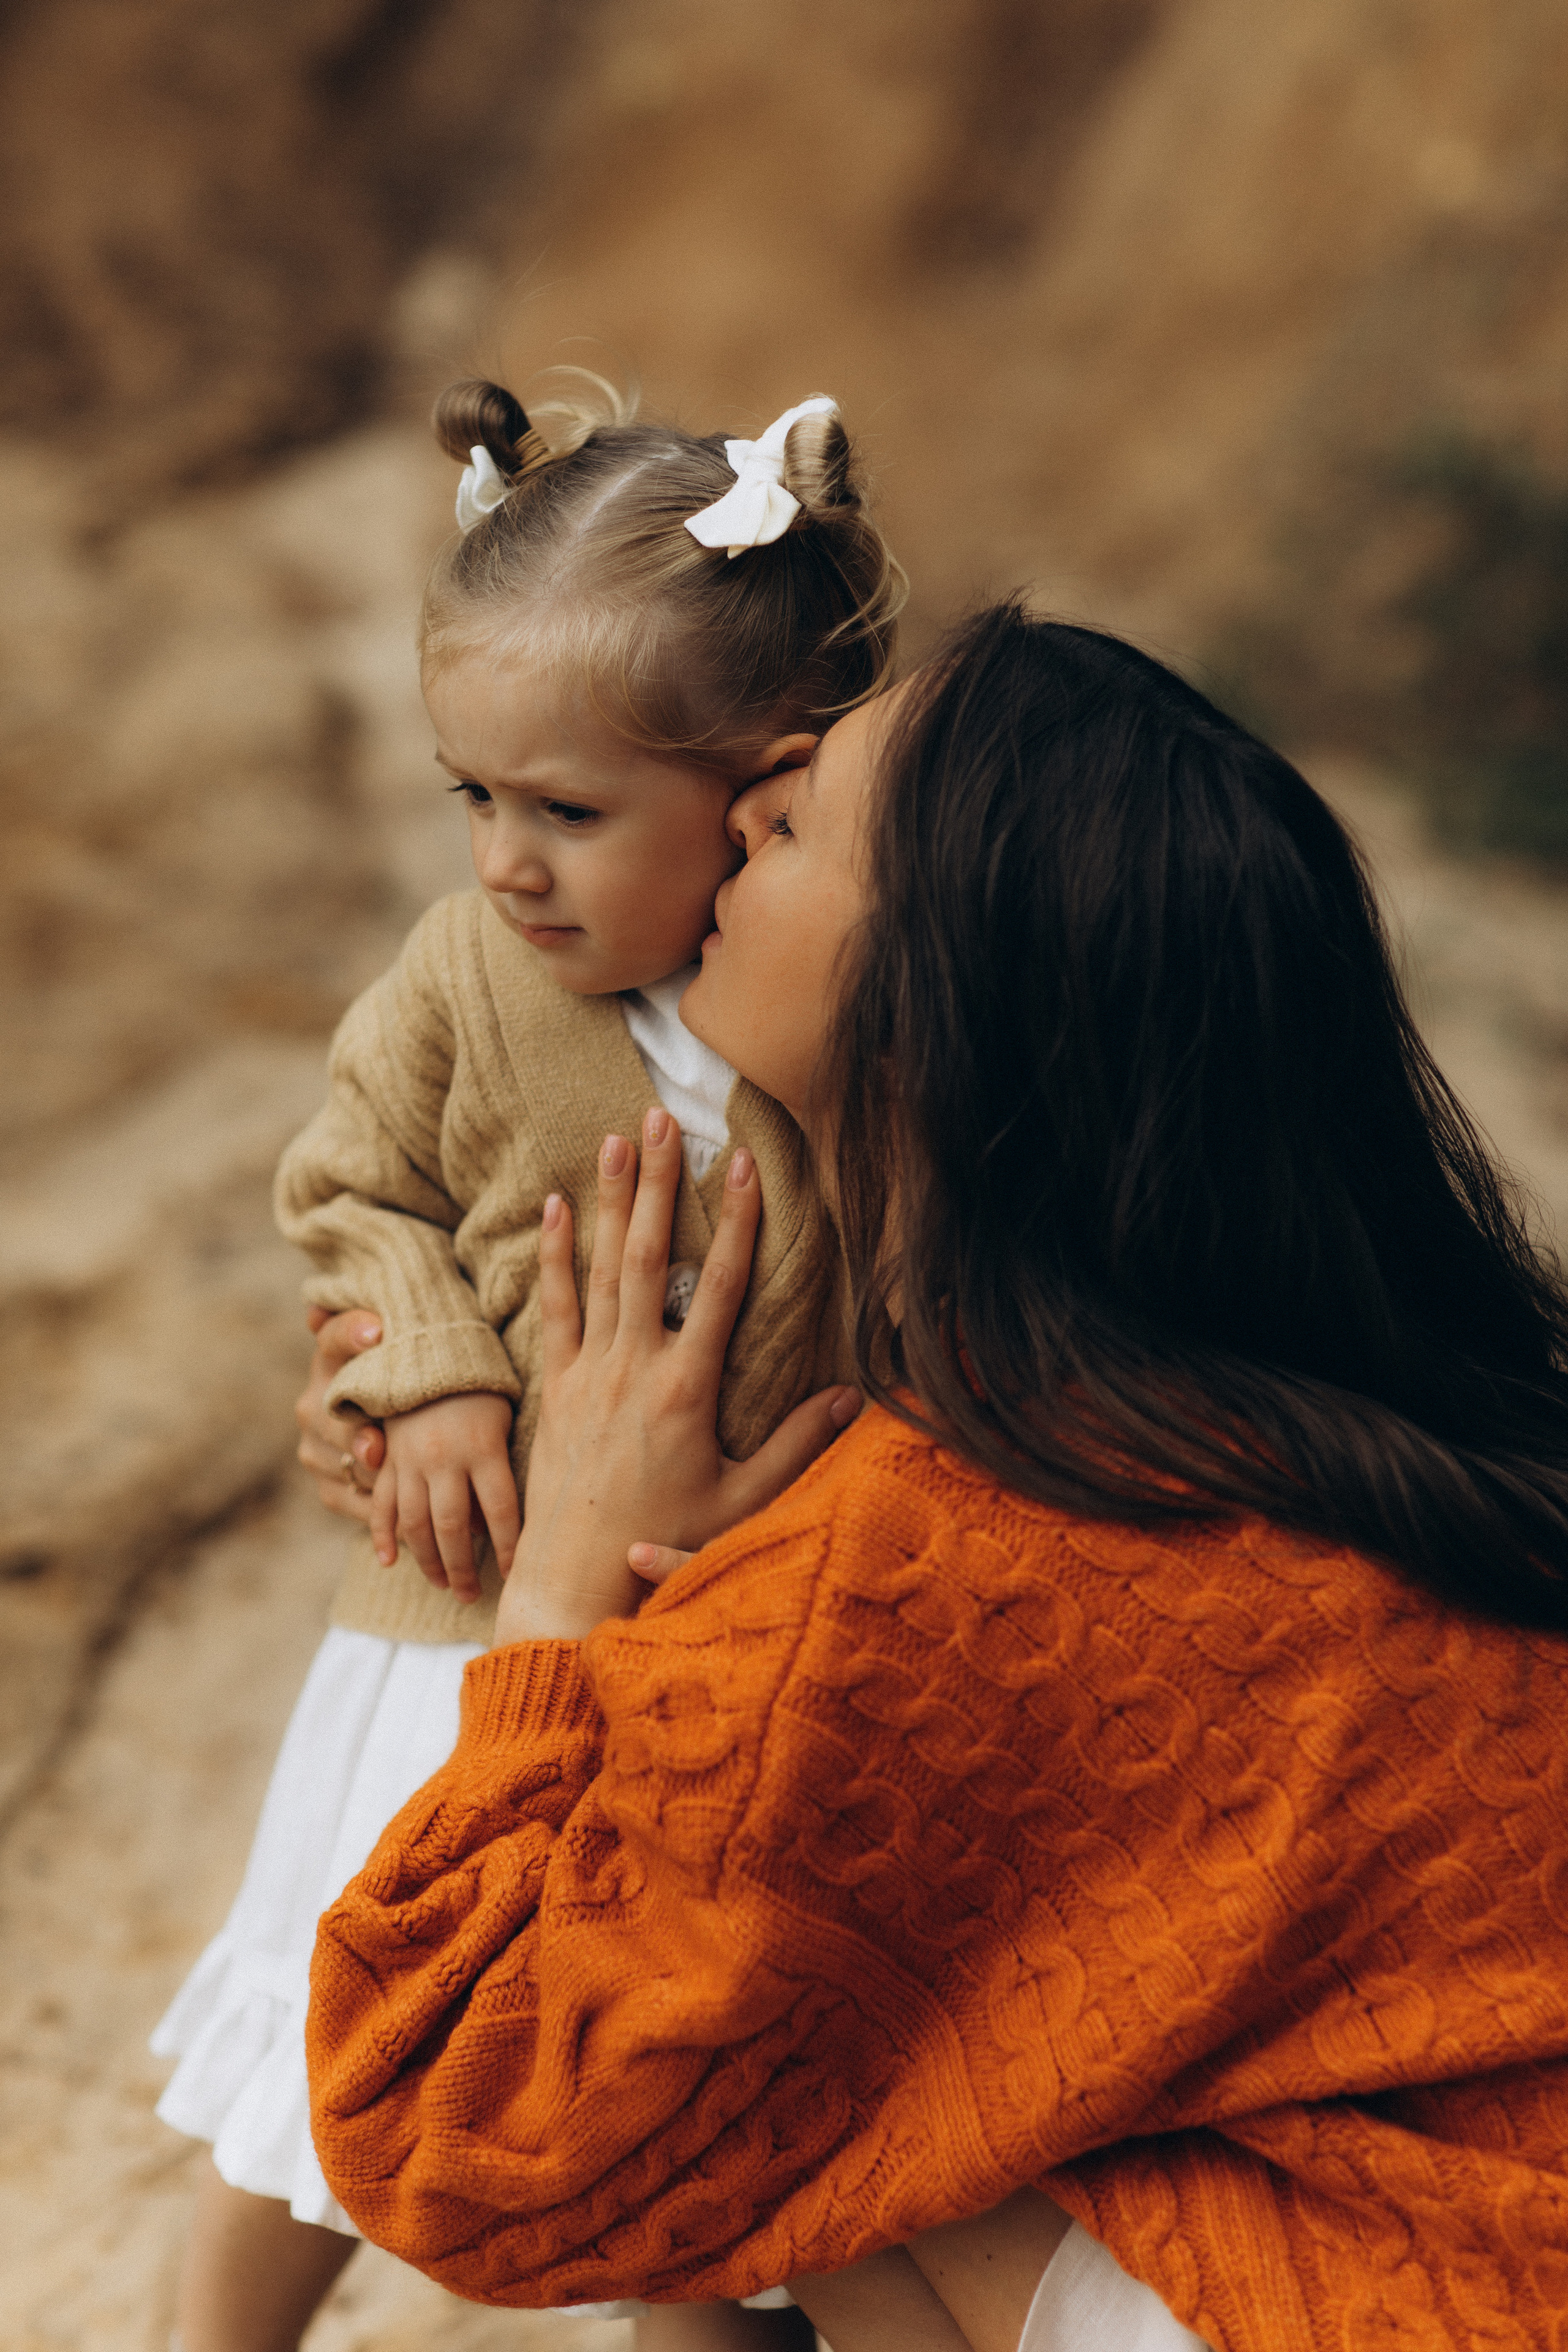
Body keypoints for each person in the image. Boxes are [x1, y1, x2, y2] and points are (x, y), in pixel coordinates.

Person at [302, 602, 1568, 2352]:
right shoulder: (1316, 1400)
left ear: (937, 995)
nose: (744, 808)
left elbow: (443, 2130)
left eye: (804, 816)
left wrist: (562, 1588)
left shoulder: (965, 1531)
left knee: (794, 2090)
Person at [151, 372, 907, 2352]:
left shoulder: (847, 1021)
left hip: (740, 1661)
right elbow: (354, 1182)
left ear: (768, 793)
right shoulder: (467, 980)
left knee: (682, 2087)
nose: (505, 861)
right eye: (471, 798)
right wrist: (424, 1368)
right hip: (461, 1623)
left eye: (567, 812)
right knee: (344, 2037)